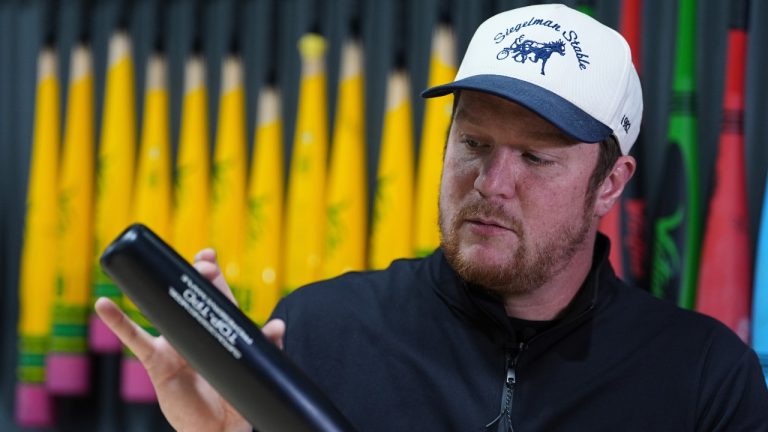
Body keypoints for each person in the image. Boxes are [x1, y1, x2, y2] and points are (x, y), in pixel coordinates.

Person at [95, 3, 768, 431]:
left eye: (536, 158)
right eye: (473, 144)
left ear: (610, 184)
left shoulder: (704, 379)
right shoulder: (317, 333)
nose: (491, 183)